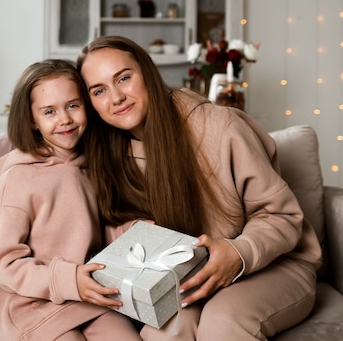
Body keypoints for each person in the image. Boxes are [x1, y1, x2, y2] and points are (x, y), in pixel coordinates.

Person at [76, 36, 323, 340]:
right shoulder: (105, 156)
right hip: (187, 275)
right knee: (161, 335)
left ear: (147, 73)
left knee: (222, 323)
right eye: (99, 91)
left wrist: (237, 252)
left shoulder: (220, 127)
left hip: (271, 264)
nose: (116, 97)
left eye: (124, 78)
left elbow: (282, 217)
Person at [0, 59, 142, 341]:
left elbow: (96, 231)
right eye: (49, 111)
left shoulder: (89, 165)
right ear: (32, 119)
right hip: (32, 306)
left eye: (72, 105)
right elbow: (5, 266)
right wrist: (69, 280)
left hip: (87, 296)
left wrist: (133, 232)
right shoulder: (17, 180)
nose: (64, 119)